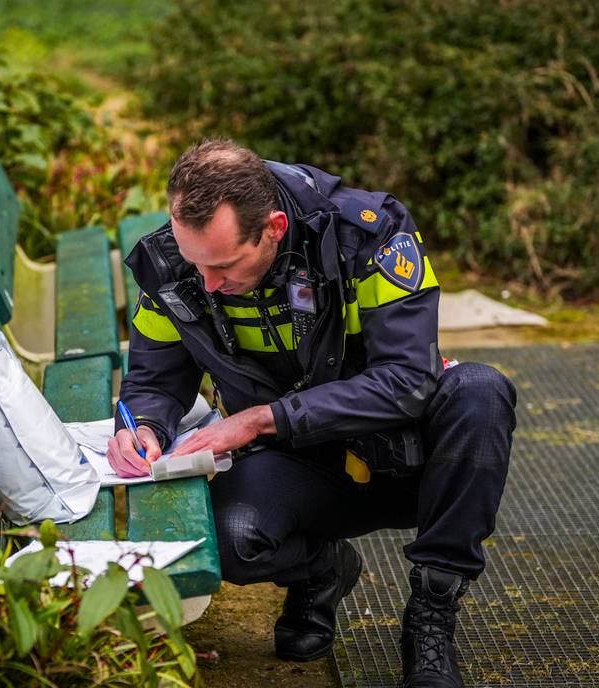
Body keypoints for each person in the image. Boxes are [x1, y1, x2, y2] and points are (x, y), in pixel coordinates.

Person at [107, 139, 516, 688]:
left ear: (273, 228)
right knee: (229, 538)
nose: (206, 283)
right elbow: (153, 381)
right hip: (297, 464)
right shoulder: (174, 262)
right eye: (195, 262)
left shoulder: (369, 233)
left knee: (480, 391)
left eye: (223, 266)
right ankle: (323, 570)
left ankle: (430, 620)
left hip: (406, 459)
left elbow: (407, 379)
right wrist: (143, 428)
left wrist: (261, 418)